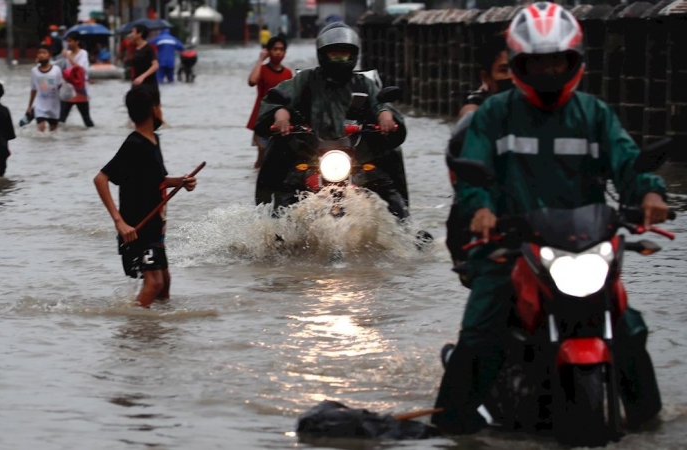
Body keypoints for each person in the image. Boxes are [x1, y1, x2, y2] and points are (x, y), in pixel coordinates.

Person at [432, 2, 669, 435]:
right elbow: (472, 174)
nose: (546, 70)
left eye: (555, 60)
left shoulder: (594, 114)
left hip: (585, 247)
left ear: (572, 60)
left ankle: (649, 423)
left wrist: (651, 191)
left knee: (631, 329)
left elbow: (628, 162)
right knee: (480, 332)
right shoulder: (493, 115)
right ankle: (450, 426)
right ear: (521, 63)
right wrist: (481, 208)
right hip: (509, 247)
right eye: (536, 61)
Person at [255, 23, 409, 219]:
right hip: (308, 154)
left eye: (344, 54)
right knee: (285, 187)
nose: (339, 59)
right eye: (334, 54)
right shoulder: (305, 80)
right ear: (322, 54)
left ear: (353, 55)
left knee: (388, 185)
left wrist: (385, 114)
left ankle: (405, 229)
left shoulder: (364, 84)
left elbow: (380, 103)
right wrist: (281, 114)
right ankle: (269, 225)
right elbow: (280, 98)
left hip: (357, 156)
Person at [93, 84, 198, 308]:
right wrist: (119, 222)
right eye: (160, 105)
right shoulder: (134, 144)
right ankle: (133, 330)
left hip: (155, 228)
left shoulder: (153, 141)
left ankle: (155, 332)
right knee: (154, 283)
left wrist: (181, 181)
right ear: (154, 109)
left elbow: (156, 180)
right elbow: (100, 179)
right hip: (136, 229)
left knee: (165, 282)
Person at [445, 33, 513, 285]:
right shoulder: (480, 118)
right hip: (486, 226)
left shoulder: (571, 113)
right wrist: (482, 208)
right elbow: (466, 178)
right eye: (505, 69)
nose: (514, 77)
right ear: (487, 77)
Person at [246, 36, 293, 168]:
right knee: (262, 157)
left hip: (281, 118)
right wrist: (261, 59)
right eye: (275, 49)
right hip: (263, 117)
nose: (278, 52)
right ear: (268, 51)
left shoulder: (288, 73)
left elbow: (292, 96)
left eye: (281, 49)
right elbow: (252, 81)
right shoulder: (262, 69)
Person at [60, 31, 94, 127]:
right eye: (67, 41)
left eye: (70, 41)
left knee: (86, 119)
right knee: (61, 118)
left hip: (80, 89)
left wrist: (68, 56)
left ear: (77, 42)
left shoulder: (83, 53)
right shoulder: (68, 54)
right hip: (68, 89)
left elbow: (81, 69)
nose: (68, 44)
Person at [27, 45, 63, 132]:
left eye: (44, 52)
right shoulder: (34, 71)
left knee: (53, 131)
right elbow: (33, 89)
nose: (41, 55)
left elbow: (60, 86)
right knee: (41, 130)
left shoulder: (56, 70)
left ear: (49, 55)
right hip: (40, 106)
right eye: (39, 53)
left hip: (54, 106)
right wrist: (29, 106)